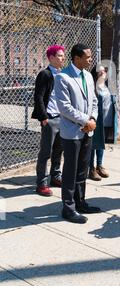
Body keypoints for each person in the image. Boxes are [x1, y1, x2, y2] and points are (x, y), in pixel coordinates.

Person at [54, 43, 99, 224]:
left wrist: (93, 119)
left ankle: (80, 202)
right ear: (77, 58)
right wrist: (85, 121)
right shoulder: (63, 78)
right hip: (72, 132)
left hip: (87, 131)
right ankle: (68, 208)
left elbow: (94, 100)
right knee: (70, 171)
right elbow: (64, 107)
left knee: (82, 170)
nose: (90, 59)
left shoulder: (88, 76)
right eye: (87, 57)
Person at [32, 45, 65, 196]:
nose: (62, 58)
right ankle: (41, 183)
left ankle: (56, 176)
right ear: (51, 57)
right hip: (50, 119)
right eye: (59, 55)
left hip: (62, 118)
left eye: (63, 55)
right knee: (46, 152)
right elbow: (38, 96)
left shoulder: (62, 74)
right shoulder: (45, 74)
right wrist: (43, 117)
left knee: (59, 150)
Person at [88, 64, 118, 181]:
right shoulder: (92, 87)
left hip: (107, 120)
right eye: (100, 72)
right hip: (96, 120)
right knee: (93, 145)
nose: (103, 73)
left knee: (101, 144)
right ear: (95, 74)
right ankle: (91, 168)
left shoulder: (107, 86)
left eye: (104, 71)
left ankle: (99, 166)